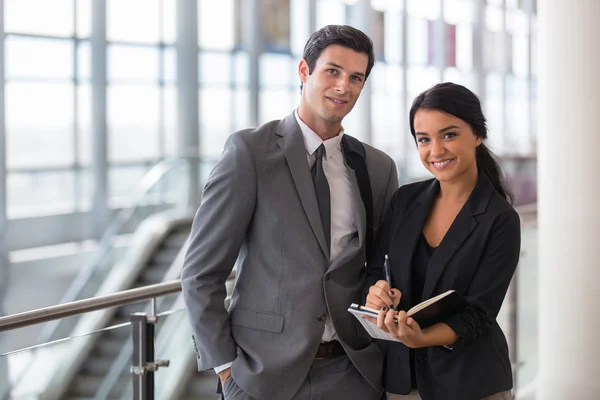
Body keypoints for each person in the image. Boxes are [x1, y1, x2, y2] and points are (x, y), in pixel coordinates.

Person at [181, 24, 398, 400]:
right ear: (303, 71)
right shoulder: (250, 153)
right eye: (332, 71)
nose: (343, 86)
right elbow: (201, 273)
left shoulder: (376, 168)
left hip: (353, 374)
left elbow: (383, 265)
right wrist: (226, 371)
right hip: (262, 377)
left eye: (356, 77)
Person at [365, 82, 520, 400]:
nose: (435, 150)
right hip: (402, 381)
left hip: (470, 382)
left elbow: (478, 313)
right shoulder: (404, 201)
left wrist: (420, 338)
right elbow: (378, 270)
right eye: (424, 139)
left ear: (477, 134)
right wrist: (378, 293)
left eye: (449, 134)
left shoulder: (500, 219)